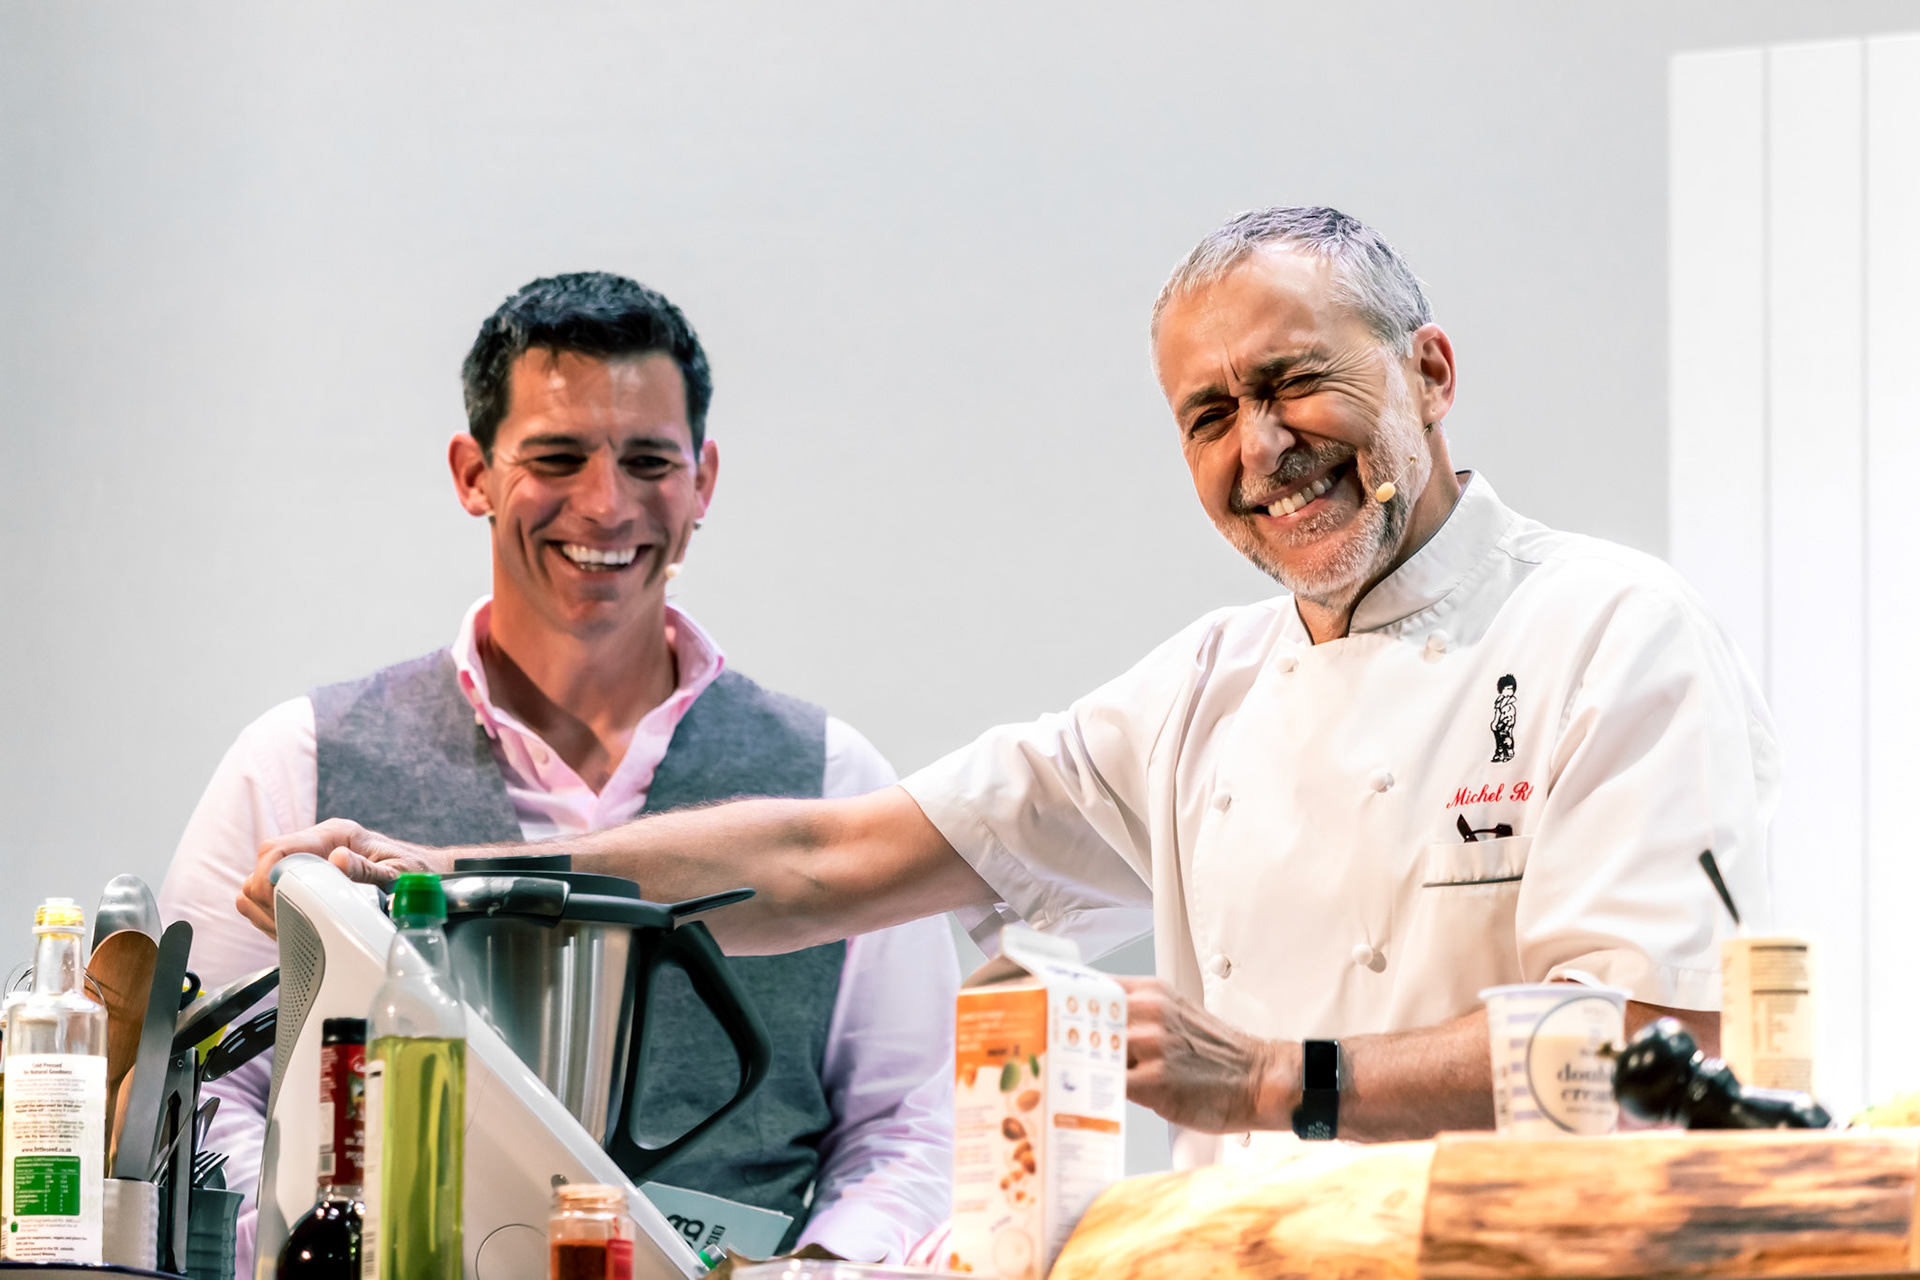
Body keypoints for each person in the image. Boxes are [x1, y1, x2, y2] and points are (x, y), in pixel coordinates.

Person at [245, 208, 1777, 1169]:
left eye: (1300, 380)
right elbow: (827, 860)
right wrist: (453, 878)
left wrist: (1271, 1081)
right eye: (1209, 414)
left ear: (1431, 373)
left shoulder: (1615, 631)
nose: (1262, 450)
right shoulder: (1205, 689)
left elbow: (1658, 1052)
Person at [164, 272, 957, 1269]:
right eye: (557, 457)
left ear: (703, 480)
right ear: (472, 473)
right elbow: (196, 1094)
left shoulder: (835, 783)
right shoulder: (296, 761)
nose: (606, 502)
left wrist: (820, 1267)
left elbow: (912, 1126)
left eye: (648, 460)